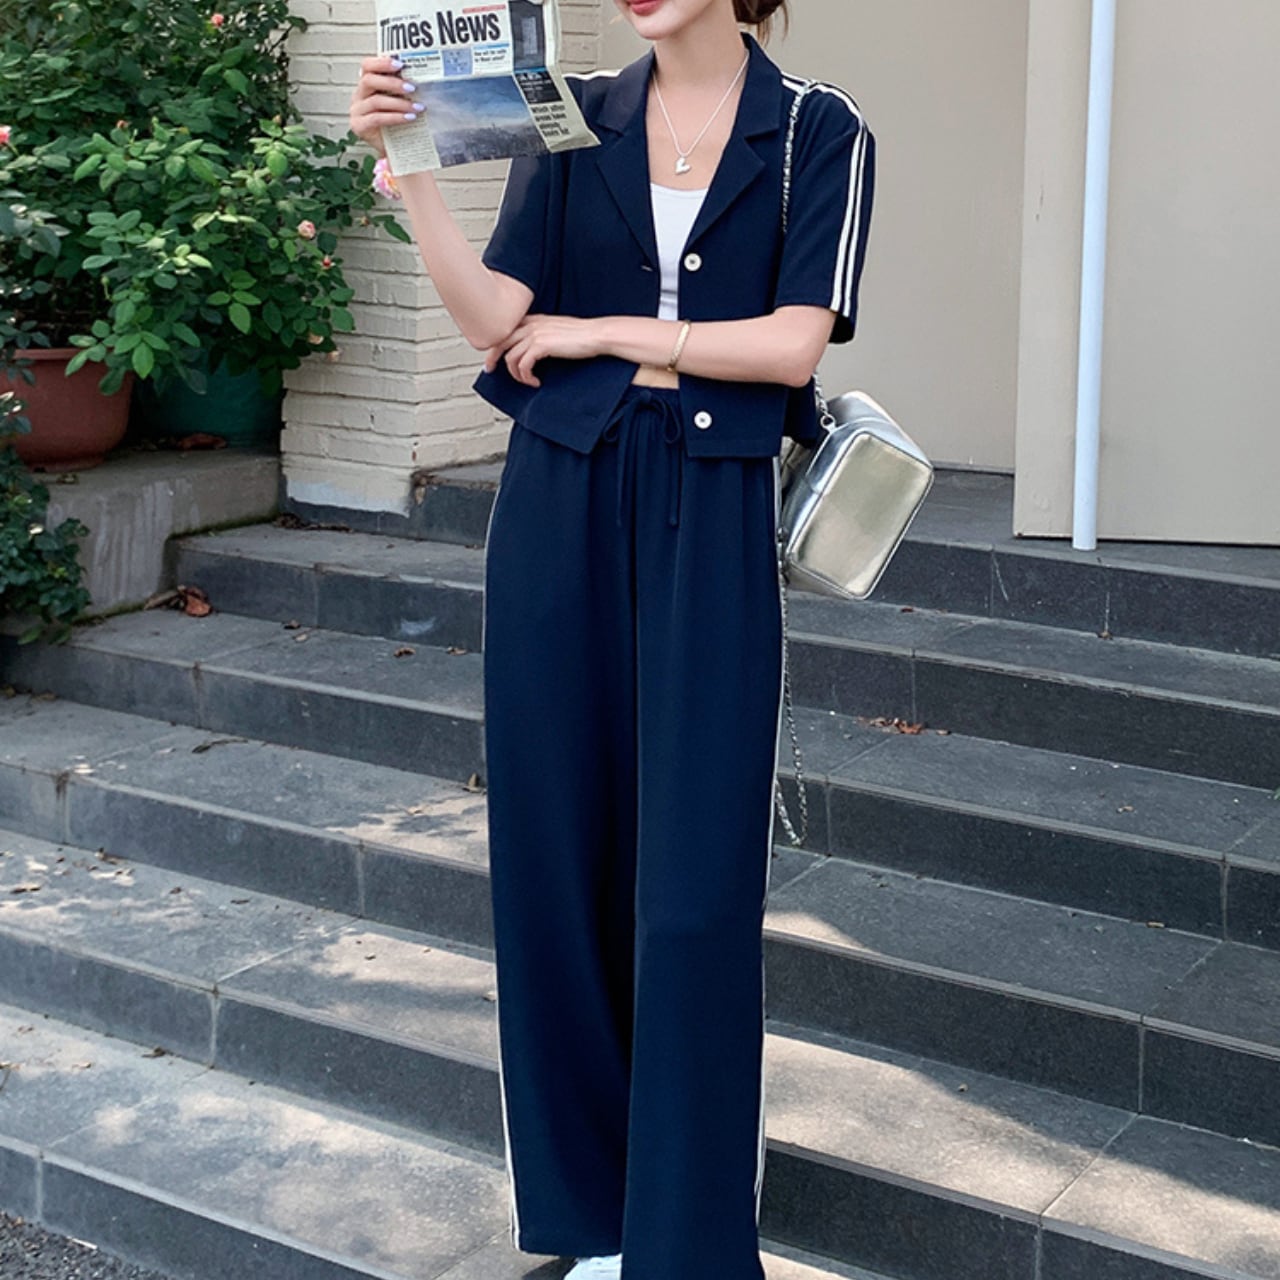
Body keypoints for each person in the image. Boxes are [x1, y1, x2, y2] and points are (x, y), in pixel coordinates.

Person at [349, 1, 874, 1275]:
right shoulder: (570, 114)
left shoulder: (816, 129)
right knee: (555, 854)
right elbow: (494, 318)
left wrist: (602, 335)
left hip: (711, 508)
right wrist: (412, 175)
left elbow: (790, 343)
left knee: (692, 887)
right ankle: (591, 1223)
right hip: (559, 498)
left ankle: (684, 1241)